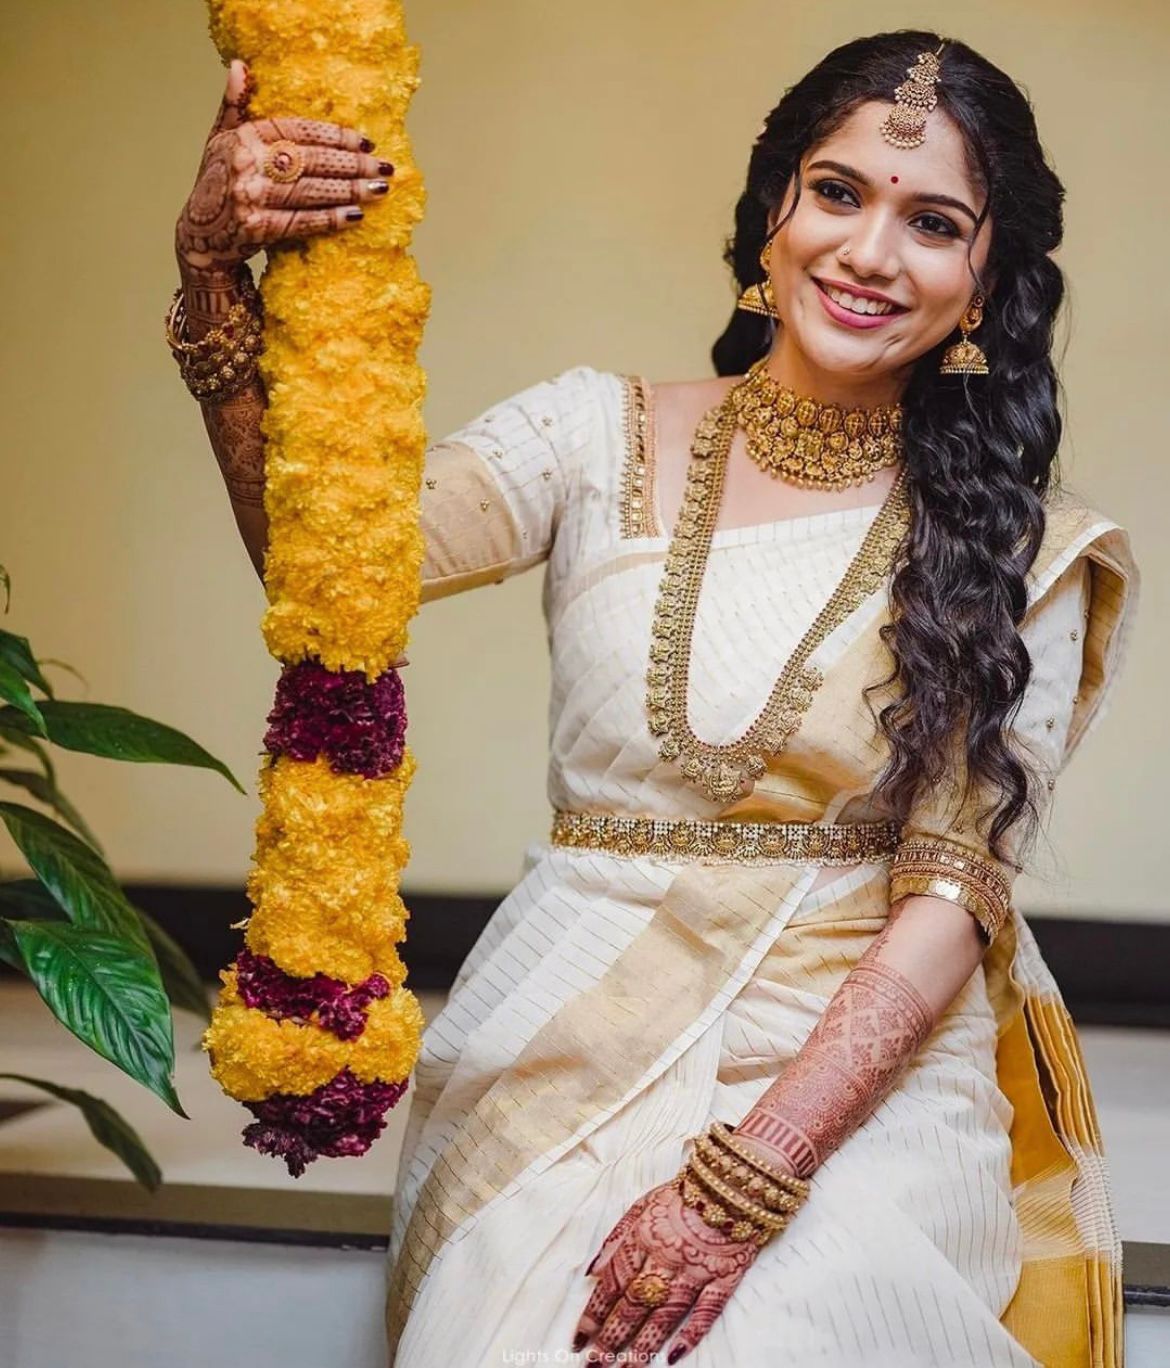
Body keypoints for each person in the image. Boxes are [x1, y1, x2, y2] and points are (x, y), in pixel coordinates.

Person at [172, 29, 1139, 1368]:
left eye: (932, 222)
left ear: (984, 280)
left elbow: (948, 895)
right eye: (837, 192)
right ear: (772, 213)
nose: (868, 254)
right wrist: (214, 278)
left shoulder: (1027, 546)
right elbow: (323, 562)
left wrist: (756, 1172)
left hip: (861, 1079)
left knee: (787, 1336)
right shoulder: (590, 436)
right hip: (561, 1037)